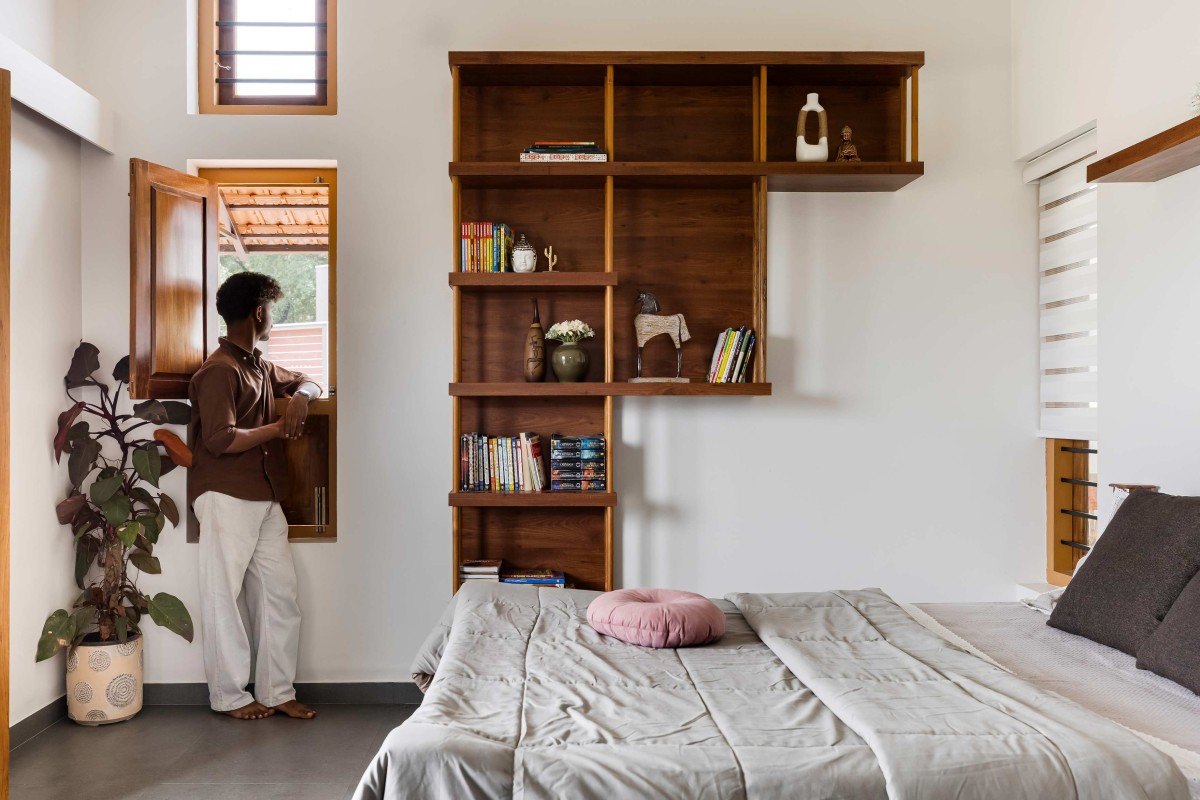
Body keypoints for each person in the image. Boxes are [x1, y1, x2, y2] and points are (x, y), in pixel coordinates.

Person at [188, 271, 322, 721]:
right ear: (259, 312)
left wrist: (301, 397)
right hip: (224, 493)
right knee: (222, 598)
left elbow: (309, 380)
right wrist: (279, 428)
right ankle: (229, 696)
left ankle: (276, 690)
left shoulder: (259, 366)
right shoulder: (218, 371)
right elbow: (220, 439)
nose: (272, 319)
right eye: (271, 311)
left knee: (280, 594)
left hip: (265, 493)